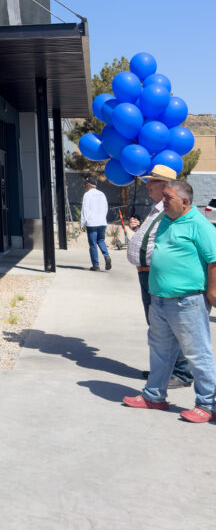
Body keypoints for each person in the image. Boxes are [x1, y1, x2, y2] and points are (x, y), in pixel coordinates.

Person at [123, 179, 216, 422]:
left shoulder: (199, 224)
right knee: (160, 352)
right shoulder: (165, 220)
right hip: (160, 300)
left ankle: (208, 405)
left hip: (188, 302)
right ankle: (154, 396)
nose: (162, 201)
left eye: (168, 198)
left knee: (197, 355)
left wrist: (213, 292)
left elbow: (214, 260)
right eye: (163, 196)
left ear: (185, 201)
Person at [127, 163, 192, 388]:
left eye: (151, 182)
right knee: (157, 327)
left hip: (156, 275)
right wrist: (136, 232)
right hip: (147, 273)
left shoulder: (170, 211)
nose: (147, 187)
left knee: (167, 326)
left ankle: (180, 373)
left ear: (164, 185)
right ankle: (164, 370)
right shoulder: (158, 208)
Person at [80, 178, 112, 271]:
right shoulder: (102, 194)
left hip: (92, 223)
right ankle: (106, 256)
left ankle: (96, 265)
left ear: (89, 185)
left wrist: (82, 223)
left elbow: (84, 210)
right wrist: (102, 218)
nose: (85, 185)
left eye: (86, 184)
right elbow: (106, 208)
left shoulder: (87, 195)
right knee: (101, 240)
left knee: (93, 244)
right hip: (102, 222)